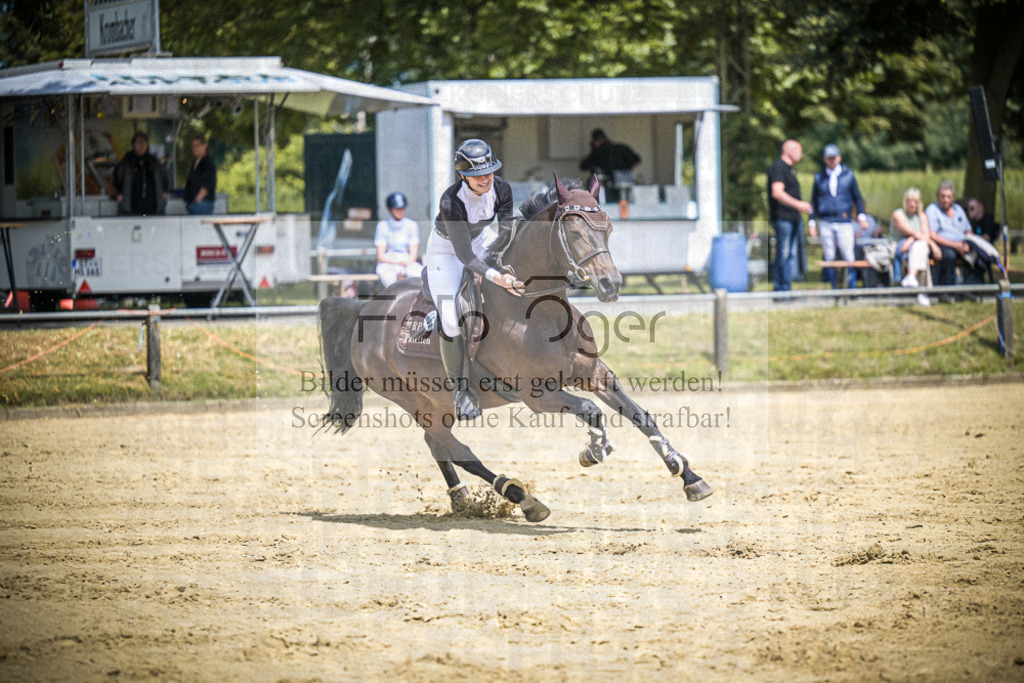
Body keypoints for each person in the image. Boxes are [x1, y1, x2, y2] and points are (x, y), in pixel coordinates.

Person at [425, 139, 524, 420]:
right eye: (478, 175)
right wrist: (496, 276)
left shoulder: (502, 187)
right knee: (451, 320)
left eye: (489, 172)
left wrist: (509, 265)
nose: (486, 179)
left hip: (481, 239)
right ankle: (460, 392)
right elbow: (465, 256)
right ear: (462, 176)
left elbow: (505, 231)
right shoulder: (451, 201)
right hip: (448, 251)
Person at [809, 144, 870, 289]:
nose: (831, 161)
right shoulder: (819, 178)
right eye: (828, 158)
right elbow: (814, 201)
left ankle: (852, 287)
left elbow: (857, 197)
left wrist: (861, 215)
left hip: (844, 220)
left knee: (848, 253)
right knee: (829, 255)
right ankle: (834, 287)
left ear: (839, 158)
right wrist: (811, 221)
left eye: (834, 158)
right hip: (825, 220)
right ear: (825, 159)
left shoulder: (848, 175)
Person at [767, 139, 814, 291]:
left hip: (793, 219)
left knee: (790, 255)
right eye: (799, 151)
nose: (801, 155)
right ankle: (780, 288)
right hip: (783, 219)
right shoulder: (778, 168)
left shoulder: (790, 169)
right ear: (790, 151)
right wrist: (798, 205)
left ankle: (786, 287)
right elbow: (777, 192)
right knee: (783, 254)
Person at [891, 187, 939, 306]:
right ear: (905, 201)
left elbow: (924, 235)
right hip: (898, 245)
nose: (912, 204)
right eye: (909, 201)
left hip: (915, 245)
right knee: (921, 250)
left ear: (919, 203)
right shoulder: (898, 214)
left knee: (920, 248)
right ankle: (922, 292)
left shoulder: (921, 215)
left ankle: (911, 277)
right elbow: (911, 231)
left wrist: (913, 239)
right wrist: (930, 243)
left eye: (915, 201)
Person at [924, 180, 973, 285]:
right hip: (943, 245)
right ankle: (948, 290)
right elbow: (932, 235)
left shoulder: (958, 209)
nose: (945, 200)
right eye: (942, 196)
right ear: (937, 196)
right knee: (949, 255)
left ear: (953, 197)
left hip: (962, 244)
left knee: (981, 254)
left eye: (948, 196)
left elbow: (968, 229)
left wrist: (968, 244)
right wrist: (955, 245)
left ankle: (973, 286)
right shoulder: (932, 210)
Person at [374, 192, 423, 288]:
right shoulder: (382, 226)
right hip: (388, 260)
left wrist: (406, 262)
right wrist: (395, 263)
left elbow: (413, 253)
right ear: (390, 209)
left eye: (402, 208)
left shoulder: (411, 225)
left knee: (420, 274)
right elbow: (380, 255)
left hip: (406, 259)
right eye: (397, 209)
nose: (400, 211)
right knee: (388, 277)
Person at [112, 132, 168, 216]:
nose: (141, 145)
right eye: (138, 142)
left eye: (144, 142)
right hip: (131, 206)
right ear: (133, 145)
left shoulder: (153, 161)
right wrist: (119, 193)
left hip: (152, 206)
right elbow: (116, 178)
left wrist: (164, 191)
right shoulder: (127, 161)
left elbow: (165, 176)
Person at [579, 128, 641, 203]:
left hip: (607, 189)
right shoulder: (622, 148)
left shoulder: (598, 152)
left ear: (595, 141)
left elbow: (583, 166)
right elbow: (638, 160)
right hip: (625, 186)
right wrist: (626, 171)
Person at [185, 135, 217, 215]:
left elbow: (207, 183)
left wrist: (197, 199)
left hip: (202, 204)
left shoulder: (207, 161)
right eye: (193, 145)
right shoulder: (196, 161)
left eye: (197, 145)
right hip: (195, 203)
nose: (194, 148)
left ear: (205, 145)